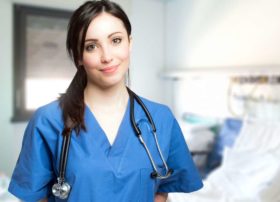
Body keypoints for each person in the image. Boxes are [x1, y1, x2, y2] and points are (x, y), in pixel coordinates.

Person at [8, 0, 203, 201]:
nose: (107, 56)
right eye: (91, 46)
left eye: (116, 40)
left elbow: (163, 189)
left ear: (130, 43)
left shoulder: (161, 118)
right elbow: (35, 196)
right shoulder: (48, 120)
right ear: (78, 57)